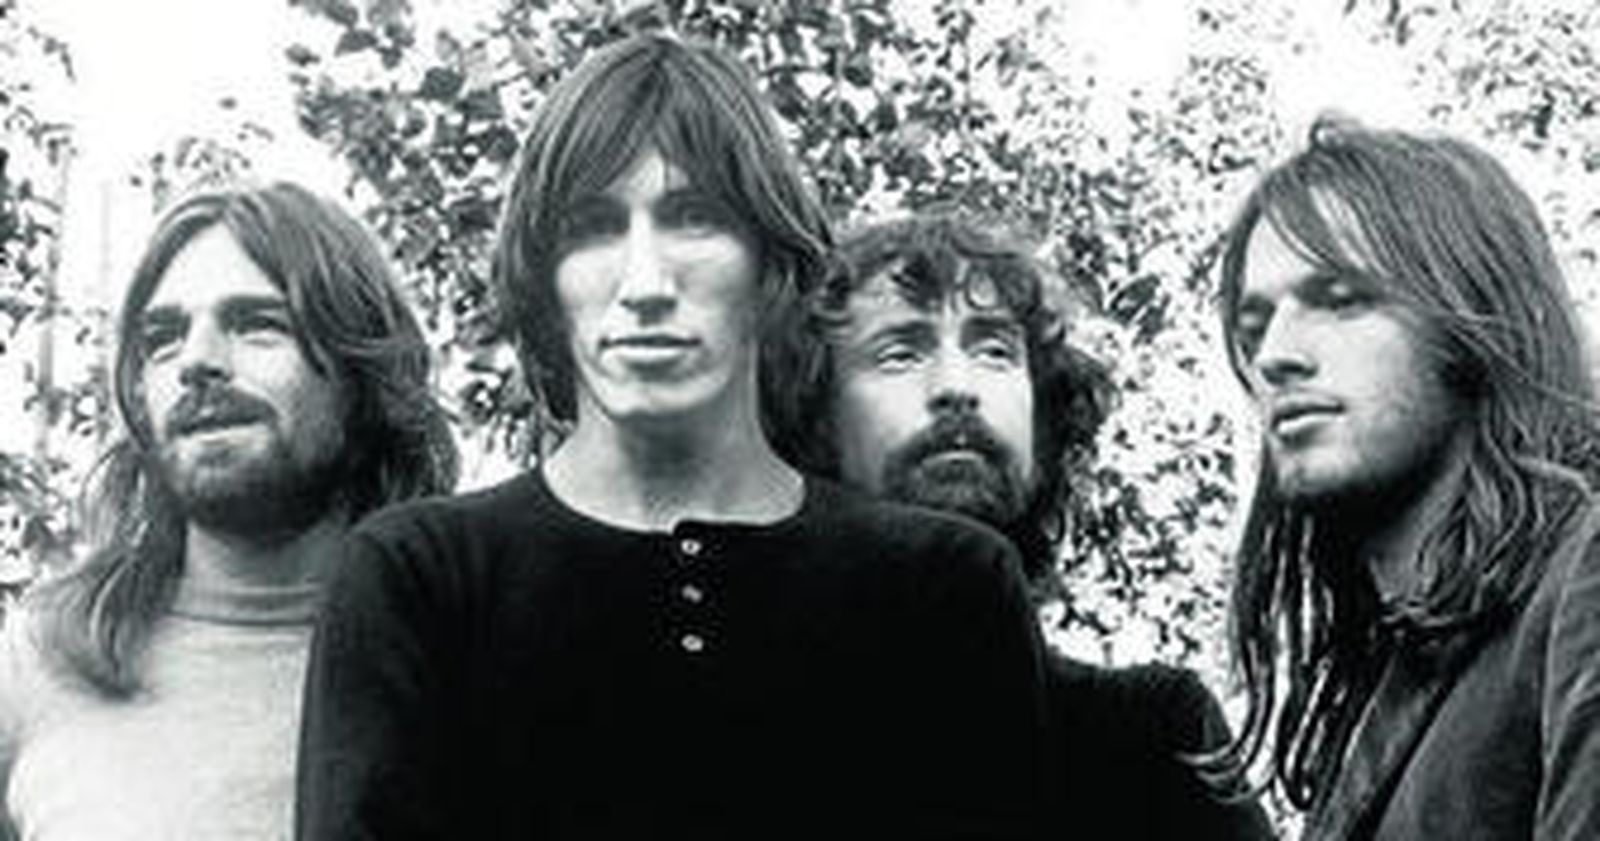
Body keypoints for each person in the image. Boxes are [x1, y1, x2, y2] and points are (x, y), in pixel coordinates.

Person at [295, 32, 1047, 841]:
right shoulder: (422, 578)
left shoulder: (944, 587)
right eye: (593, 226)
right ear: (545, 281)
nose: (645, 284)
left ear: (770, 263)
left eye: (693, 217)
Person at [769, 212, 1275, 840]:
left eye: (994, 351)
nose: (957, 387)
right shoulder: (736, 727)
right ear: (814, 415)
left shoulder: (1154, 733)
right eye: (900, 353)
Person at [0, 181, 458, 840]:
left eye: (258, 324)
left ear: (363, 374)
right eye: (163, 338)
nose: (196, 361)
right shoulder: (43, 660)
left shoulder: (464, 660)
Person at [1201, 117, 1600, 839]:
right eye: (1254, 325)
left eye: (1341, 299)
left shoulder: (1582, 580)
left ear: (1473, 315)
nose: (1274, 355)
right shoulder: (1382, 682)